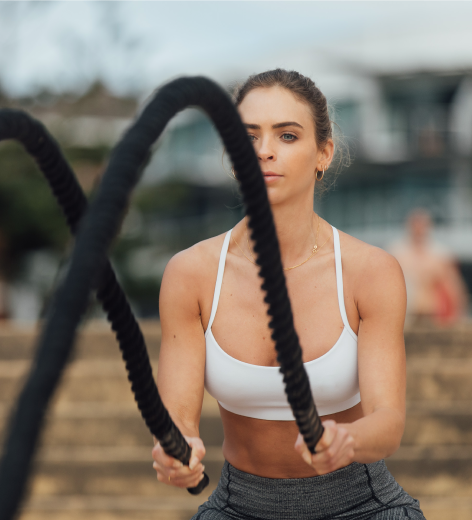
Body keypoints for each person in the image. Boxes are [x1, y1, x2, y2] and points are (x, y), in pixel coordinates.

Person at [151, 69, 424, 519]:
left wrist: (347, 441)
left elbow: (389, 423)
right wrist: (174, 452)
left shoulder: (370, 272)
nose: (265, 150)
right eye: (249, 136)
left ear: (323, 154)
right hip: (238, 507)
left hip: (362, 506)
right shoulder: (190, 274)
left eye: (288, 135)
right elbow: (178, 420)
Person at [390, 209, 467, 327]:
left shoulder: (439, 254)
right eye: (415, 224)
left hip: (431, 313)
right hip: (404, 316)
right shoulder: (397, 252)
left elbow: (454, 288)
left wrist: (457, 316)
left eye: (422, 225)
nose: (418, 228)